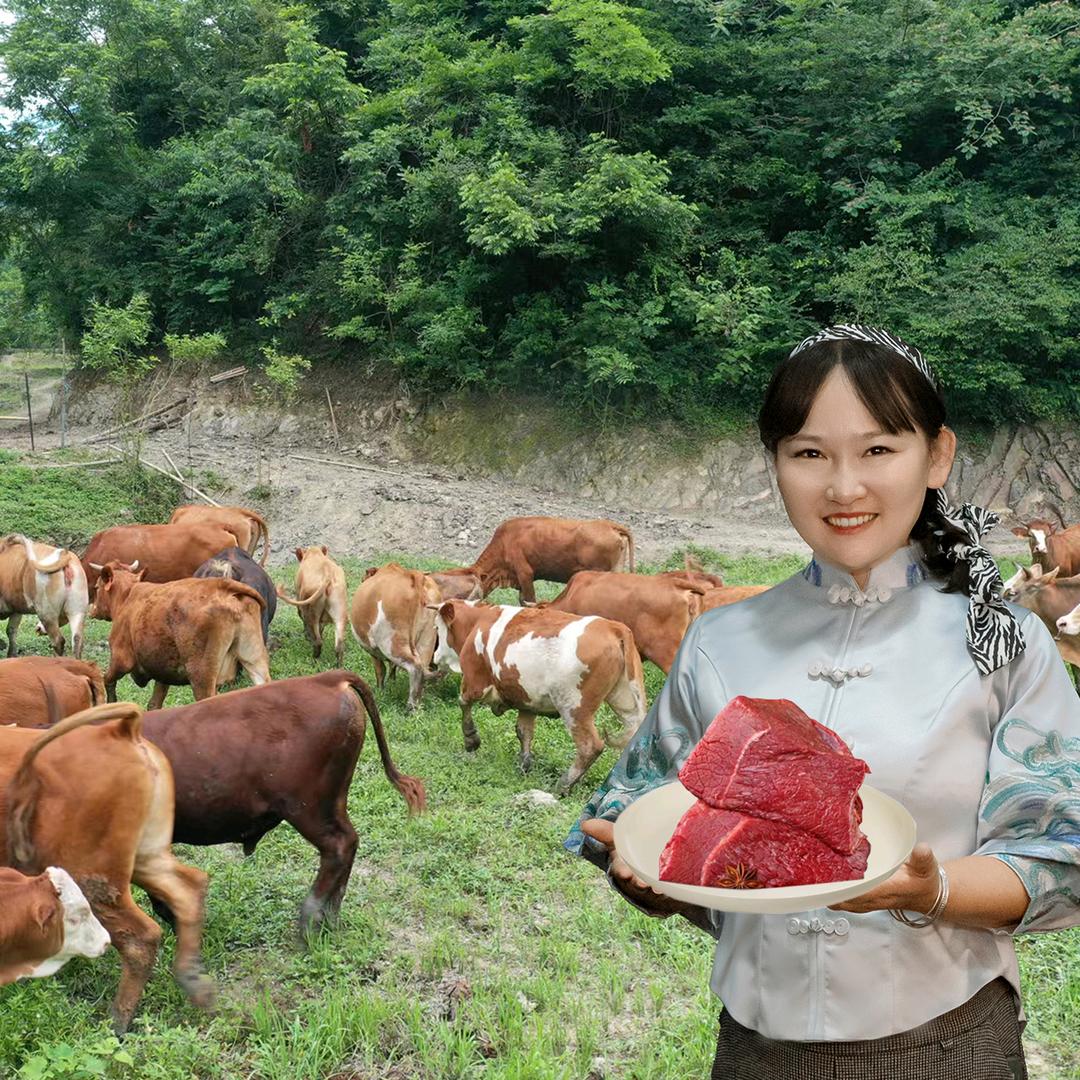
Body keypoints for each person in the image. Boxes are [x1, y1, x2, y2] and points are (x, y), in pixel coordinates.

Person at [564, 325, 1080, 1080]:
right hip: (754, 1053)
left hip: (948, 1050)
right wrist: (646, 879)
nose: (844, 488)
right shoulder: (717, 640)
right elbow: (646, 825)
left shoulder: (1001, 638)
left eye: (878, 451)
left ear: (936, 456)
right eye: (809, 453)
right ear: (775, 463)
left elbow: (1060, 853)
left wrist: (929, 889)